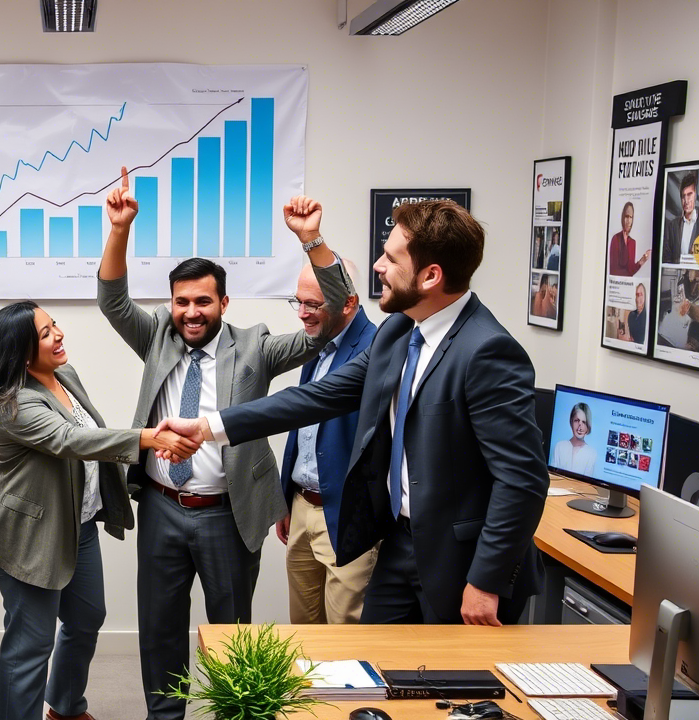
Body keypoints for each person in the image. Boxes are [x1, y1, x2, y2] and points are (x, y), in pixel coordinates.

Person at [160, 198, 549, 626]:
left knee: (452, 686)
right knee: (371, 673)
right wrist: (208, 426)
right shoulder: (400, 331)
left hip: (463, 562)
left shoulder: (488, 351)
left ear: (431, 276)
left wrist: (487, 580)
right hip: (401, 541)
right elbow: (316, 398)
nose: (379, 266)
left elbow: (523, 480)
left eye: (391, 258)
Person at [95, 166, 353, 720]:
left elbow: (334, 319)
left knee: (233, 631)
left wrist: (311, 241)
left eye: (203, 302)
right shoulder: (158, 337)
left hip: (228, 514)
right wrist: (119, 230)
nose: (191, 313)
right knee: (160, 630)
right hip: (163, 508)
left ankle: (237, 716)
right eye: (181, 302)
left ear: (224, 303)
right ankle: (165, 716)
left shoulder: (256, 348)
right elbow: (112, 301)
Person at [0, 302, 199, 720]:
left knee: (88, 617)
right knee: (31, 644)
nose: (59, 334)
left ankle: (67, 707)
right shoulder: (13, 405)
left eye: (55, 325)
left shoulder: (62, 376)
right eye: (46, 332)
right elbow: (70, 439)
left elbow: (83, 434)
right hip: (26, 536)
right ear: (20, 350)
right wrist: (146, 438)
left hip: (77, 524)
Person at [277, 260, 378, 625]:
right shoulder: (318, 343)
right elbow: (302, 424)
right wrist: (287, 498)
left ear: (347, 302)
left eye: (313, 304)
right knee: (304, 632)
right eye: (298, 302)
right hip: (302, 506)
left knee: (344, 637)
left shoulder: (376, 348)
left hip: (346, 513)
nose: (302, 314)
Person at [662, 172, 699, 262]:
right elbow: (667, 257)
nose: (686, 201)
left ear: (695, 195)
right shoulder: (673, 226)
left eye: (689, 194)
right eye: (683, 196)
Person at [551, 403, 597, 475]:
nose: (580, 426)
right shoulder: (559, 446)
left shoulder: (591, 454)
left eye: (584, 422)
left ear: (588, 426)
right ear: (571, 421)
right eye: (576, 420)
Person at [609, 202, 650, 277]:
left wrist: (642, 260)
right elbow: (613, 271)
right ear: (622, 218)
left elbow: (631, 271)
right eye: (626, 216)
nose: (628, 221)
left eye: (631, 217)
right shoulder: (615, 239)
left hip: (627, 285)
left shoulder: (632, 242)